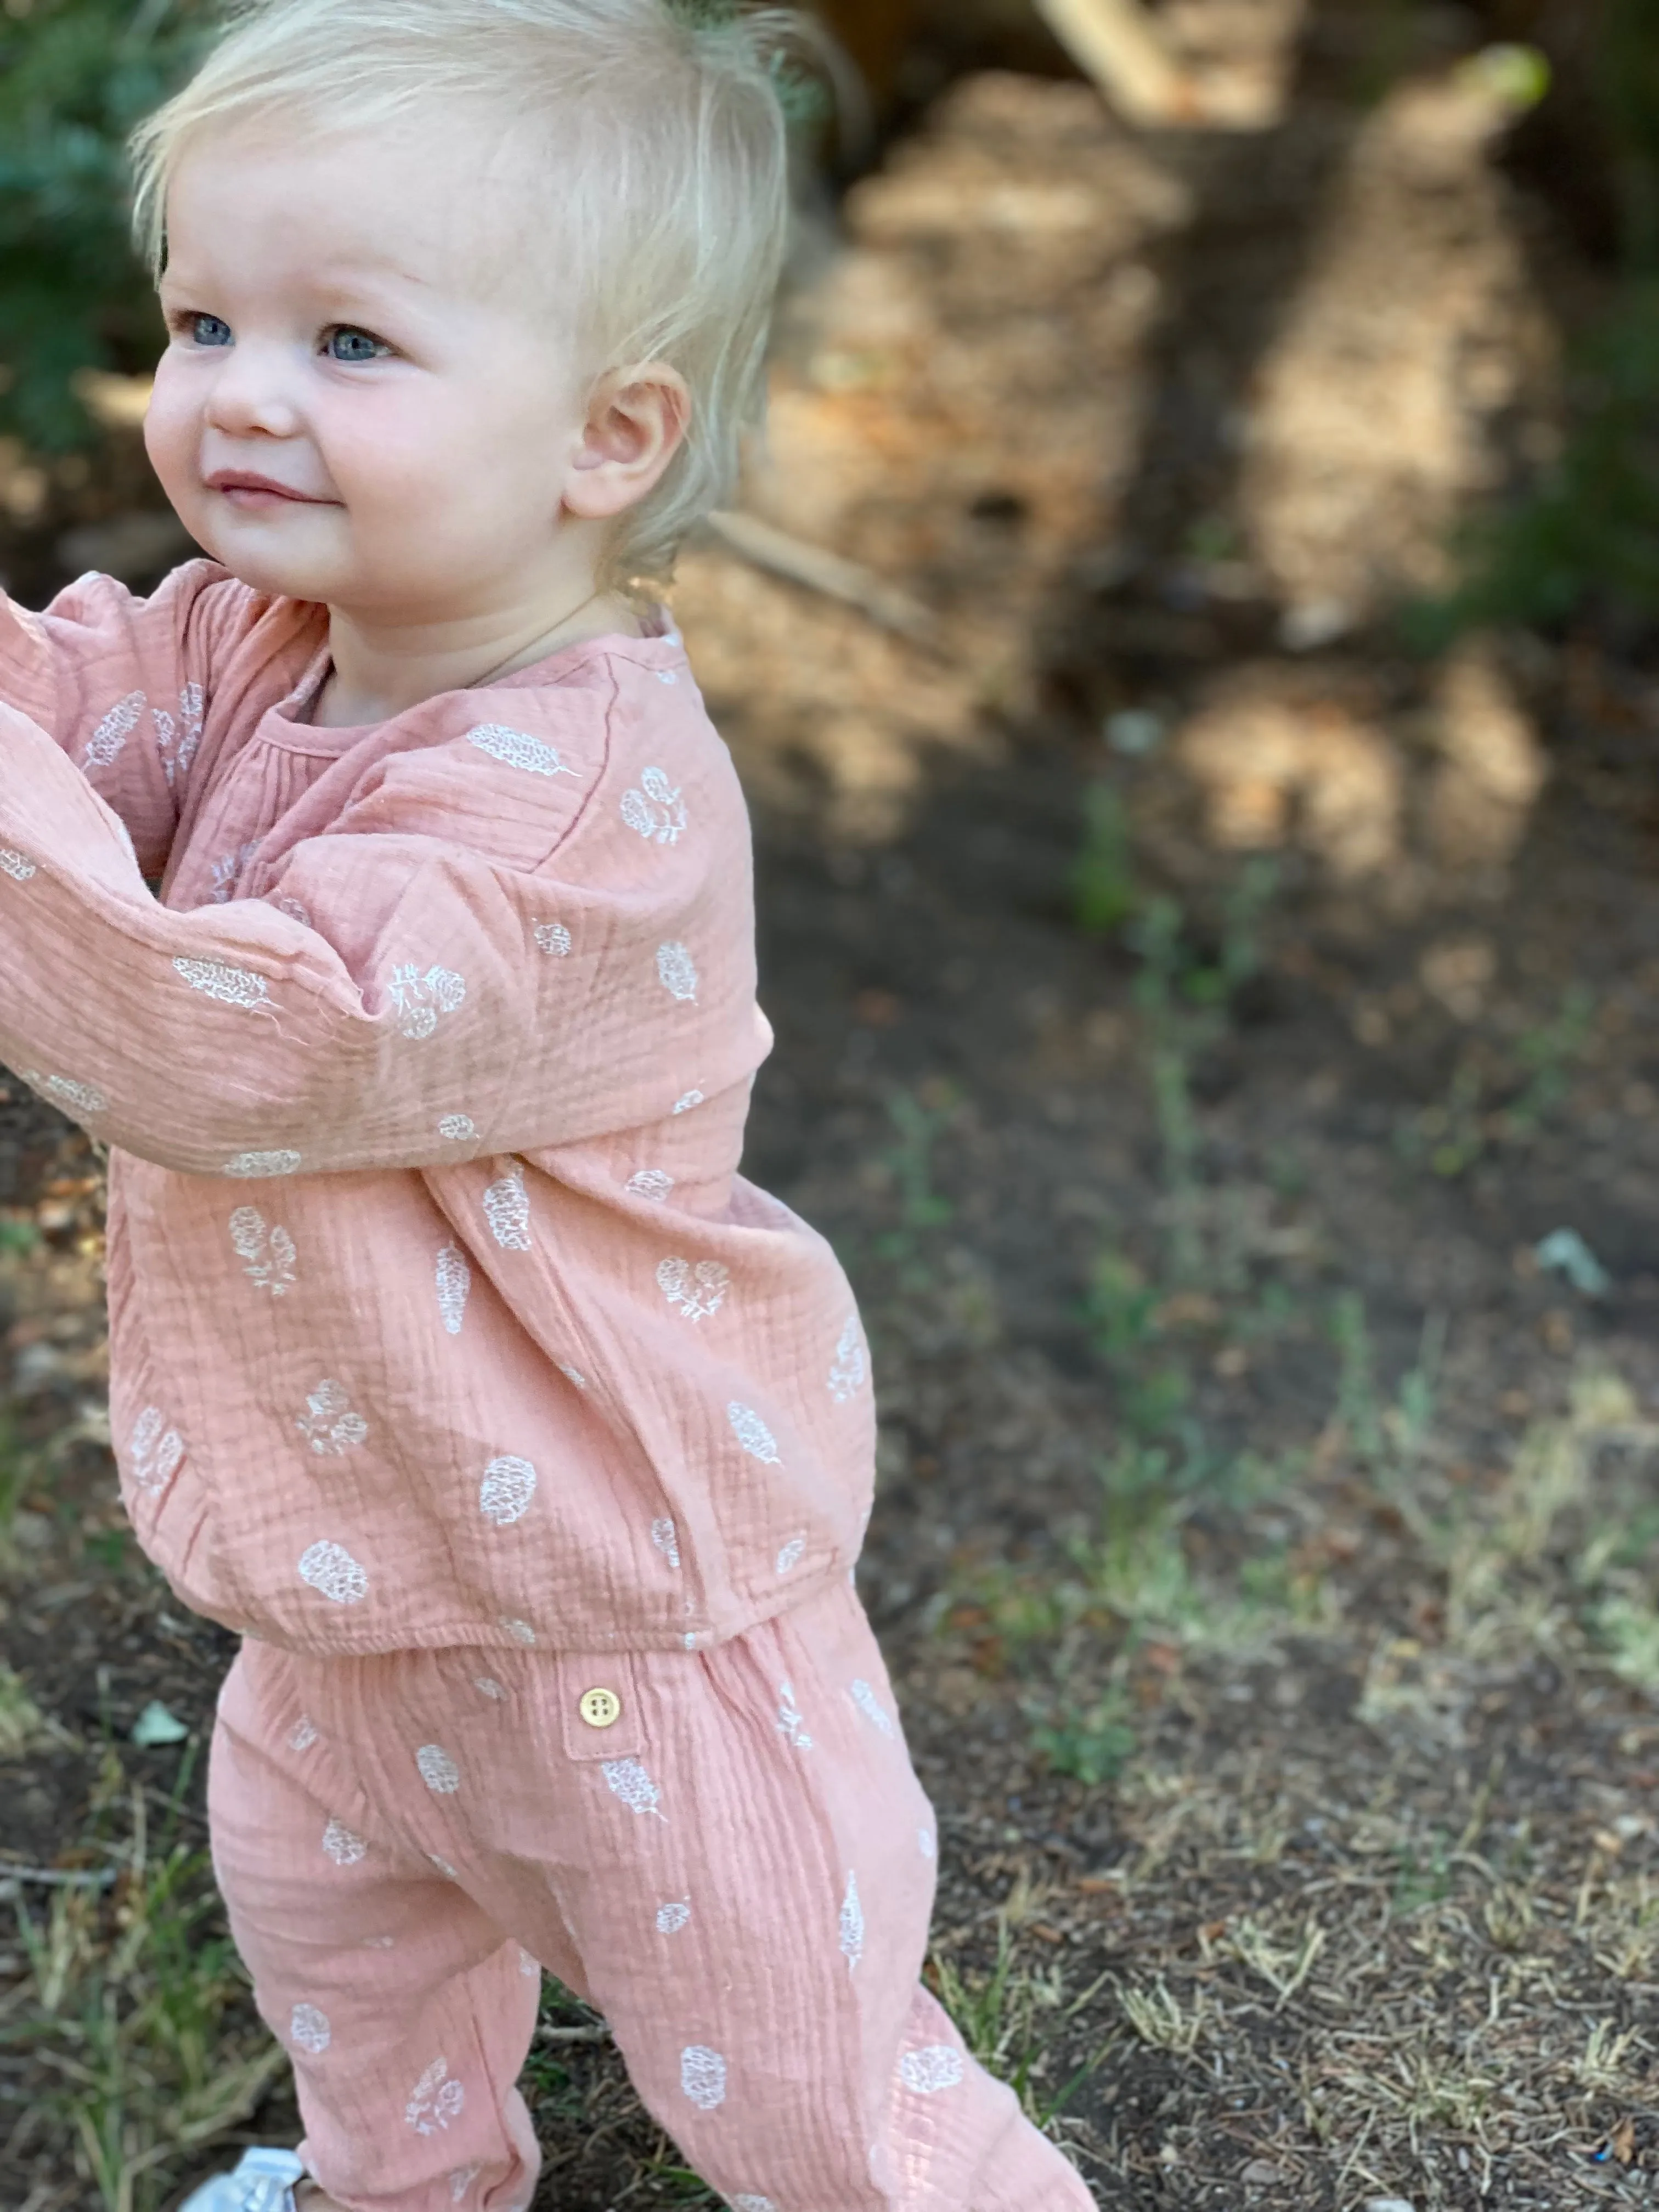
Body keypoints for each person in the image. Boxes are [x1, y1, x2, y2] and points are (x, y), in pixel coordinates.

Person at [0, 4, 1098, 2208]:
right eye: (206, 317)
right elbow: (74, 687)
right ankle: (406, 2186)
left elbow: (254, 1040)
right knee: (349, 1954)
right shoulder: (259, 641)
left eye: (351, 340)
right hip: (357, 1570)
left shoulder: (583, 806)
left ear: (608, 437)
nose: (239, 390)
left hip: (615, 1605)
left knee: (805, 2093)